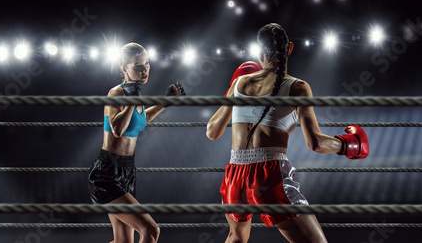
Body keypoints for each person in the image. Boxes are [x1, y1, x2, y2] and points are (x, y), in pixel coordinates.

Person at [206, 23, 369, 243]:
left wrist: (232, 92)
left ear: (259, 51)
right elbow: (315, 143)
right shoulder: (297, 87)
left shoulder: (239, 82)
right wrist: (350, 144)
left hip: (234, 175)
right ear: (289, 48)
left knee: (235, 238)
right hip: (269, 174)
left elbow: (212, 131)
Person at [87, 42, 185, 243]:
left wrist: (164, 103)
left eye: (147, 64)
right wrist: (132, 99)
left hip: (127, 172)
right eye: (138, 66)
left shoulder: (135, 95)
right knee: (151, 230)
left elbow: (139, 121)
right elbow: (117, 128)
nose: (145, 70)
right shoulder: (117, 93)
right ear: (124, 69)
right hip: (107, 173)